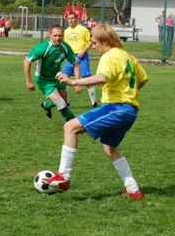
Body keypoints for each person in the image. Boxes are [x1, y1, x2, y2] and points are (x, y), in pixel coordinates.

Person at [44, 24, 149, 200]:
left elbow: (101, 78)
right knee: (109, 149)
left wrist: (73, 82)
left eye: (94, 42)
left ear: (104, 40)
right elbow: (143, 79)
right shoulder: (128, 56)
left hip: (116, 108)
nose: (94, 46)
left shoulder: (109, 56)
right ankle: (133, 189)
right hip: (131, 110)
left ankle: (63, 176)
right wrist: (130, 93)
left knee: (70, 127)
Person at [23, 25, 82, 121]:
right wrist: (28, 81)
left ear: (63, 36)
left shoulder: (66, 48)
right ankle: (74, 124)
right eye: (55, 35)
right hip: (44, 80)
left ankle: (46, 105)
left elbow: (76, 64)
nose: (58, 38)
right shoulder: (43, 47)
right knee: (61, 104)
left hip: (57, 78)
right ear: (50, 35)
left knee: (65, 102)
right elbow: (27, 61)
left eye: (60, 35)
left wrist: (78, 82)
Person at [61, 12, 98, 107]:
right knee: (63, 78)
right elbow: (64, 45)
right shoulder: (65, 32)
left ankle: (94, 102)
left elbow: (90, 41)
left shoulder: (83, 29)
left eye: (72, 18)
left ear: (76, 18)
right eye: (69, 18)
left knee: (87, 78)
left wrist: (83, 51)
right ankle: (66, 102)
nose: (71, 20)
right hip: (71, 57)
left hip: (82, 56)